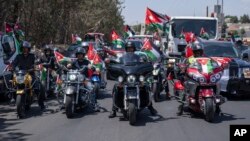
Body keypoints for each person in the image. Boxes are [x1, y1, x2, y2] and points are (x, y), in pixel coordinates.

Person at [109, 41, 157, 118]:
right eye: (128, 48)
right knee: (116, 87)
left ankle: (150, 107)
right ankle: (113, 110)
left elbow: (143, 64)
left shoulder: (138, 57)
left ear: (133, 49)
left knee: (146, 87)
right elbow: (117, 63)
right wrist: (113, 63)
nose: (130, 49)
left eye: (131, 48)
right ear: (126, 49)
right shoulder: (122, 58)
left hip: (136, 78)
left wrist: (146, 64)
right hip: (125, 78)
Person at [11, 41, 46, 110]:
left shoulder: (32, 56)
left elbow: (37, 62)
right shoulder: (18, 56)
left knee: (38, 87)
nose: (24, 49)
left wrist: (37, 66)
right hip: (20, 74)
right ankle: (12, 97)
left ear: (28, 49)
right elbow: (14, 64)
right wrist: (11, 67)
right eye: (23, 48)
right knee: (12, 81)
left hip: (30, 74)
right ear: (21, 49)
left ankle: (41, 104)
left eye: (26, 48)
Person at [68, 48, 100, 112]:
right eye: (78, 54)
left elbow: (91, 66)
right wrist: (68, 65)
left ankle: (95, 104)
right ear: (76, 55)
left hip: (85, 79)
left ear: (83, 55)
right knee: (66, 85)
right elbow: (69, 65)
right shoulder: (74, 62)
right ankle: (66, 103)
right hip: (75, 78)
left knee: (91, 88)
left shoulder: (86, 61)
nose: (79, 55)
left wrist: (91, 67)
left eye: (81, 54)